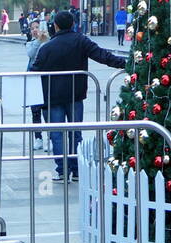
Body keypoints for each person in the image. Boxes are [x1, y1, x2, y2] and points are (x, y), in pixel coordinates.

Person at [31, 11, 125, 181]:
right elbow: (102, 56)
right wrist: (126, 63)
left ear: (56, 25)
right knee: (75, 132)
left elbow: (33, 70)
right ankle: (75, 169)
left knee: (56, 133)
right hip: (75, 94)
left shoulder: (47, 47)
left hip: (52, 97)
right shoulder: (81, 41)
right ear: (73, 24)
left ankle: (62, 169)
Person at [25, 21, 49, 150]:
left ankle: (51, 138)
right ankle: (38, 138)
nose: (35, 30)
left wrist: (44, 39)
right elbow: (31, 54)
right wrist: (38, 41)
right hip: (34, 80)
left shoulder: (49, 41)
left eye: (37, 27)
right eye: (33, 28)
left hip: (46, 80)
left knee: (48, 110)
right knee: (35, 111)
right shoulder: (30, 43)